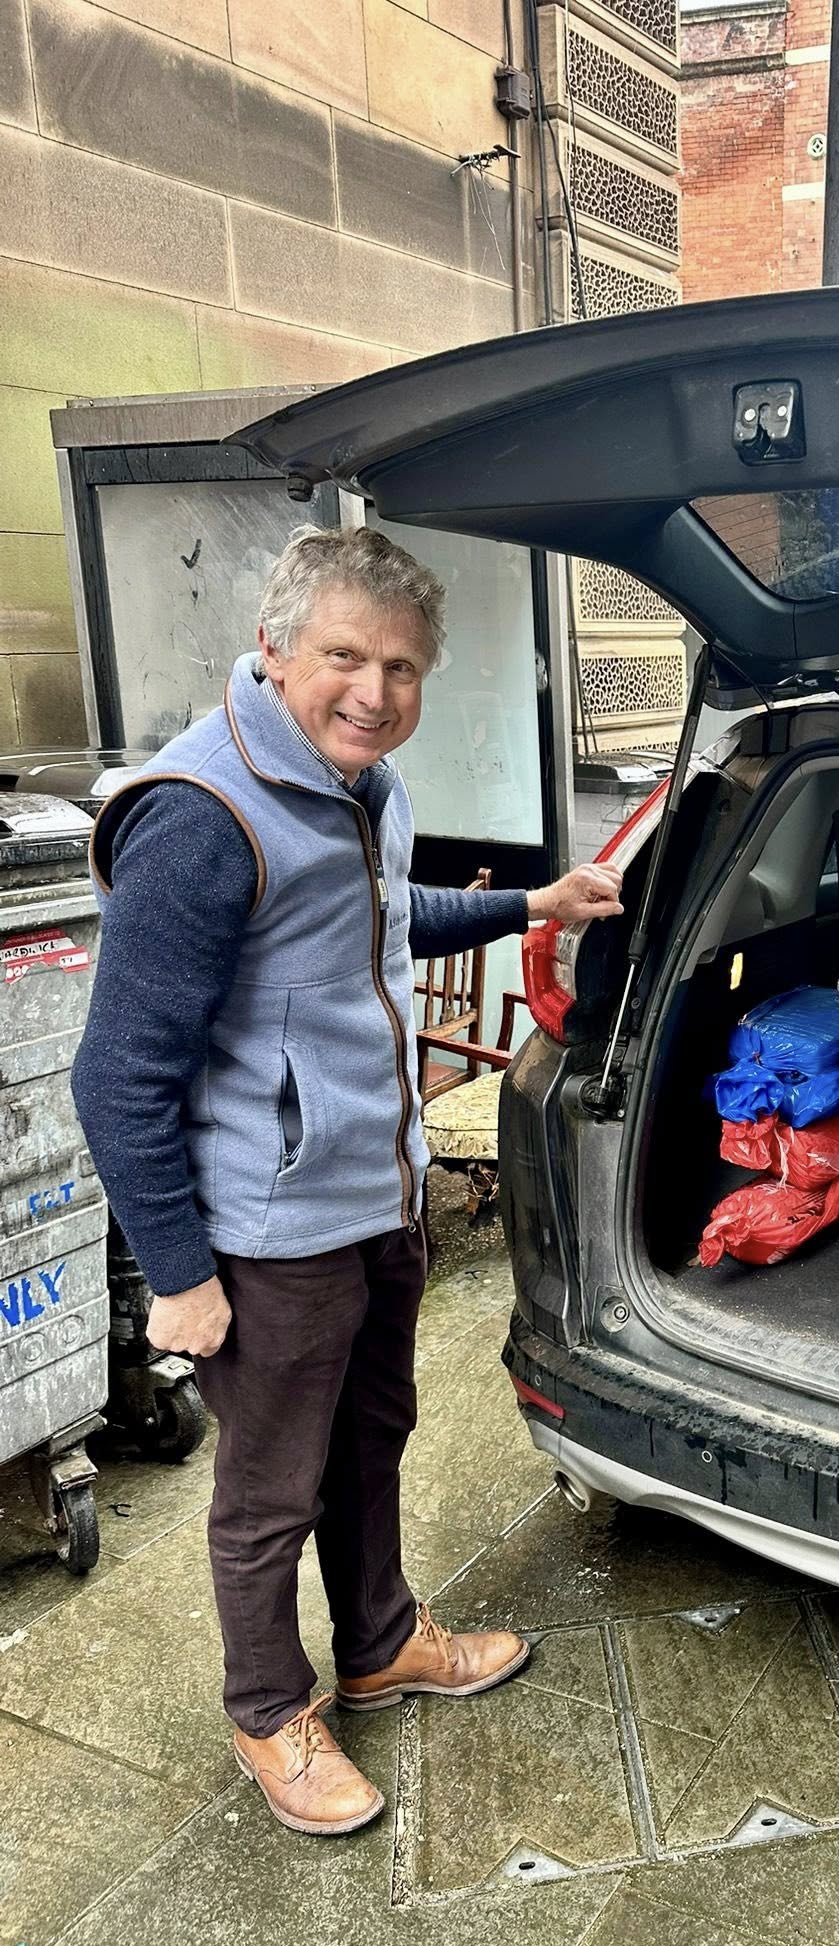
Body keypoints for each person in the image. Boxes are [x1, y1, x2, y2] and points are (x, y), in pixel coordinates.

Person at [72, 526, 624, 1837]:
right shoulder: (203, 818)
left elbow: (380, 923)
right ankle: (271, 1711)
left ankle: (379, 1643)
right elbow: (115, 1076)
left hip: (375, 1194)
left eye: (402, 667)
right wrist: (185, 1279)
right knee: (268, 1496)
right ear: (274, 652)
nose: (374, 692)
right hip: (266, 1234)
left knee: (372, 1439)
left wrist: (533, 904)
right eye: (343, 658)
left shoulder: (357, 784)